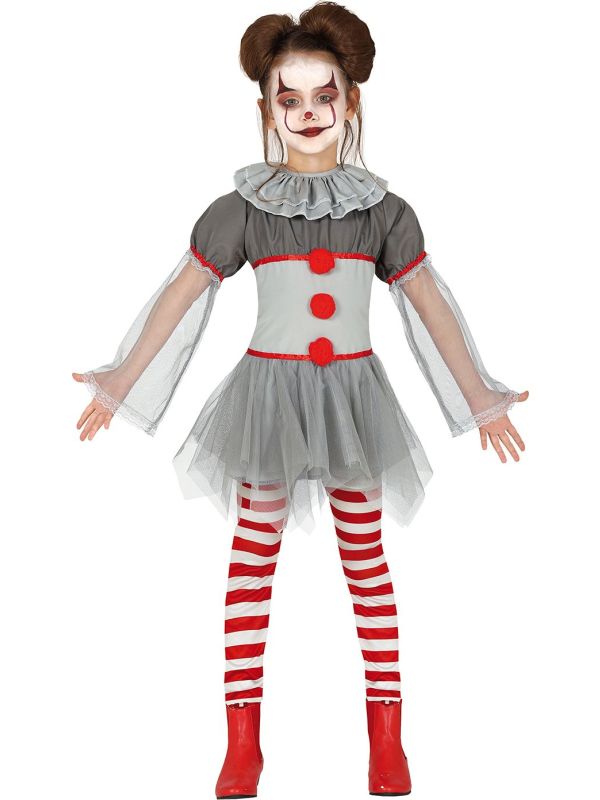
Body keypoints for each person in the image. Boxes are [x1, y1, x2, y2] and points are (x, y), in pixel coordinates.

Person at [73, 3, 528, 796]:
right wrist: (121, 377)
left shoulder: (383, 212)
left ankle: (387, 738)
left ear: (351, 102)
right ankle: (241, 742)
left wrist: (480, 395)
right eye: (291, 98)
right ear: (266, 109)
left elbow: (431, 307)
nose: (310, 112)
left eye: (325, 95)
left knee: (366, 562)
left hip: (353, 404)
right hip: (268, 402)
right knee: (252, 560)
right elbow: (180, 295)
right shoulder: (242, 211)